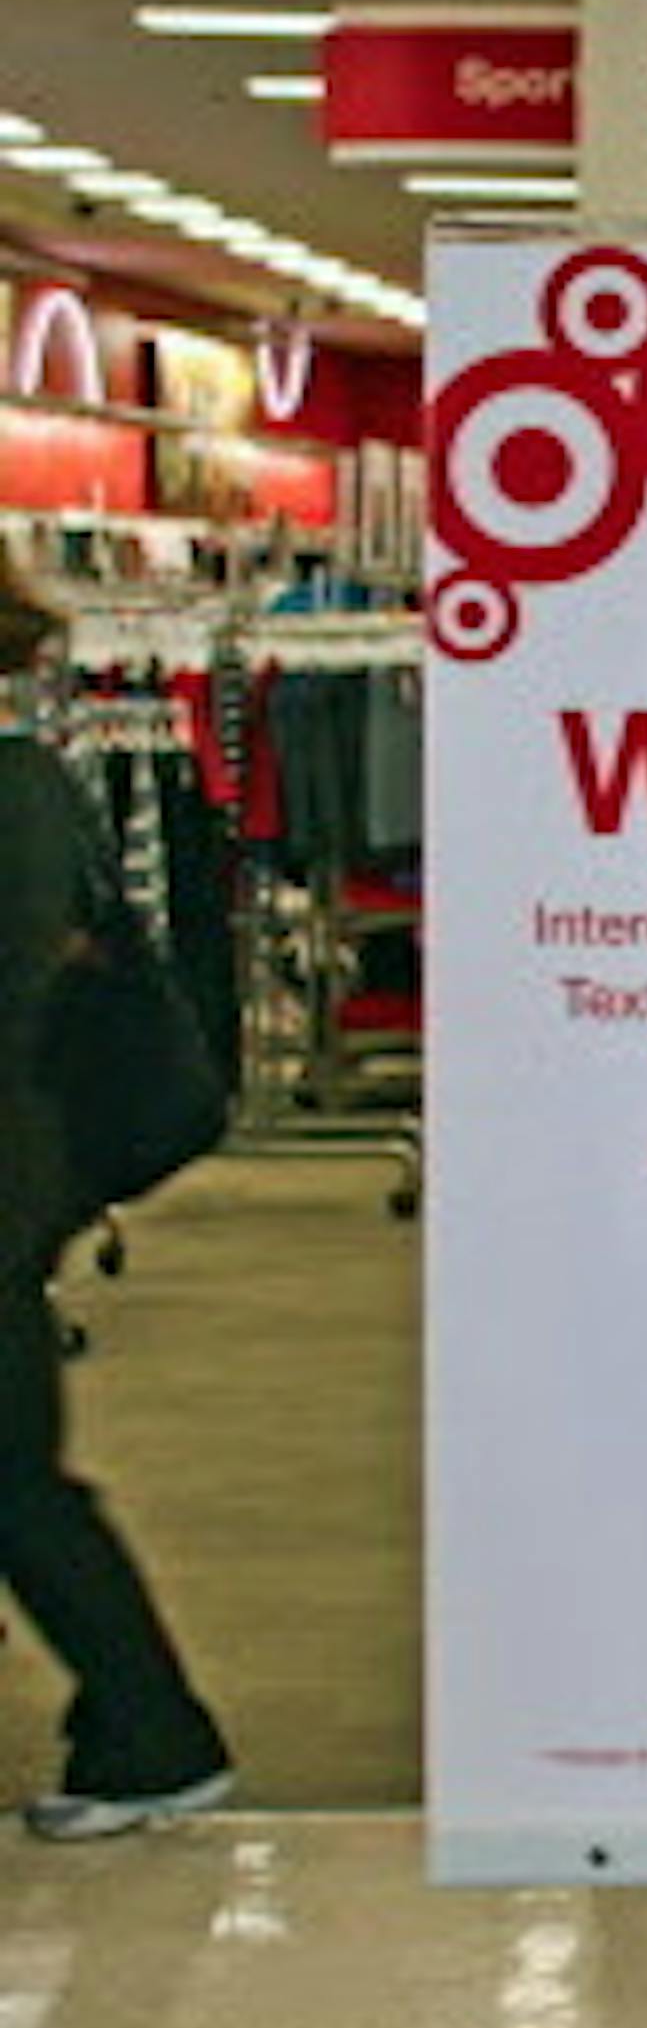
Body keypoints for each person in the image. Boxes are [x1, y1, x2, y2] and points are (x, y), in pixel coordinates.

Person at [0, 555, 232, 1840]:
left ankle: (152, 1729)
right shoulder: (35, 785)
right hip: (28, 1179)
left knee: (17, 1483)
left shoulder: (15, 792)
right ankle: (143, 1727)